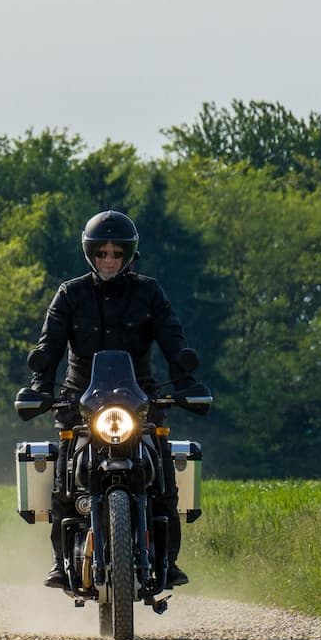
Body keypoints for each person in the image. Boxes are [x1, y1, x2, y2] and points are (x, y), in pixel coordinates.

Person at [19, 209, 211, 593]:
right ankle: (60, 562)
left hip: (138, 398)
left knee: (164, 488)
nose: (109, 260)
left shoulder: (149, 292)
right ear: (90, 255)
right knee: (64, 490)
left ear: (128, 256)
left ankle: (169, 562)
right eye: (102, 253)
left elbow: (172, 336)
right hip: (80, 401)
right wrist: (41, 382)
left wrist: (186, 377)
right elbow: (50, 344)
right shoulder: (70, 294)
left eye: (116, 253)